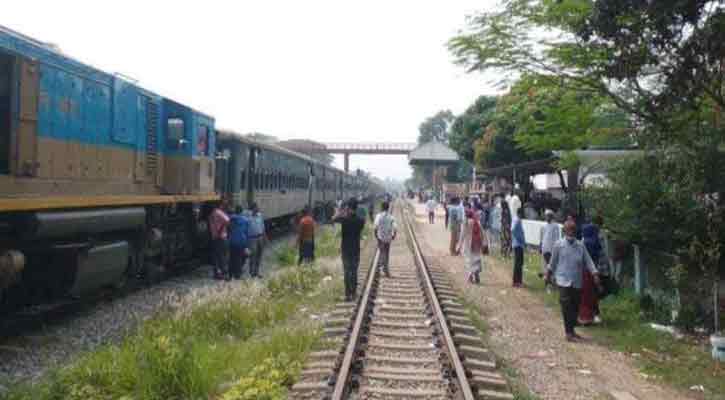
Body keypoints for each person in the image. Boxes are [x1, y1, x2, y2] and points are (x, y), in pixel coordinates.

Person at [546, 220, 600, 342]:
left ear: (576, 232)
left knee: (575, 307)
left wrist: (595, 273)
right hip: (562, 280)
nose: (570, 232)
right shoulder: (558, 245)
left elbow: (588, 261)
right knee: (566, 306)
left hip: (576, 281)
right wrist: (548, 274)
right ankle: (568, 333)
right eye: (568, 230)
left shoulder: (580, 245)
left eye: (573, 230)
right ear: (564, 231)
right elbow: (552, 262)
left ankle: (572, 331)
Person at [333, 198, 366, 301]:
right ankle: (354, 293)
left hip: (345, 249)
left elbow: (333, 219)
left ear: (348, 207)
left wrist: (341, 211)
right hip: (355, 249)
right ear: (356, 207)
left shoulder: (344, 219)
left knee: (347, 272)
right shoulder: (361, 221)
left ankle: (347, 294)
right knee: (354, 271)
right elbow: (360, 226)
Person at [580, 217, 603, 325]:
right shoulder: (594, 242)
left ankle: (584, 316)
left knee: (584, 295)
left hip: (583, 271)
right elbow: (598, 256)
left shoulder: (582, 242)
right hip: (593, 271)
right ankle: (593, 315)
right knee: (592, 294)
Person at [458, 209, 487, 284]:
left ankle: (470, 276)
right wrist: (484, 244)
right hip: (477, 244)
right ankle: (477, 275)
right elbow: (482, 233)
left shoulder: (466, 223)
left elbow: (462, 235)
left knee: (469, 261)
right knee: (476, 259)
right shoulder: (477, 222)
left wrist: (459, 246)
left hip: (468, 245)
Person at [209, 200, 231, 280]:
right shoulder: (219, 212)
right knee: (224, 256)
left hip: (214, 237)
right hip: (222, 237)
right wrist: (224, 228)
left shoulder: (211, 214)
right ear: (221, 205)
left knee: (216, 257)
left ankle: (216, 274)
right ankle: (224, 274)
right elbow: (228, 220)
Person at [374, 201, 397, 277]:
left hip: (380, 237)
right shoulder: (391, 217)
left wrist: (376, 235)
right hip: (388, 238)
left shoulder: (378, 216)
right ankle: (385, 269)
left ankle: (380, 267)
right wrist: (394, 235)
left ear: (382, 208)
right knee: (386, 253)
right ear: (388, 208)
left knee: (381, 252)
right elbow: (395, 227)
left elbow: (376, 226)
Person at [539, 209, 559, 291]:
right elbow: (541, 237)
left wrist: (556, 249)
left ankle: (551, 283)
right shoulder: (543, 226)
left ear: (551, 217)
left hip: (552, 249)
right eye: (546, 216)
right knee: (545, 266)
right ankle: (547, 284)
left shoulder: (555, 226)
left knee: (551, 267)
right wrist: (540, 246)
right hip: (544, 248)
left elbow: (557, 238)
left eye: (548, 216)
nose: (547, 218)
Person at [228, 206, 251, 280]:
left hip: (232, 241)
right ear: (241, 211)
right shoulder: (245, 220)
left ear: (235, 211)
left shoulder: (230, 219)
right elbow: (247, 232)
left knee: (232, 258)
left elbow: (228, 229)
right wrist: (247, 245)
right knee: (240, 258)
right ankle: (238, 275)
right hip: (241, 242)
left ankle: (230, 274)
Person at [246, 202, 267, 278]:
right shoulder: (248, 218)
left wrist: (265, 238)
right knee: (253, 255)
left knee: (259, 255)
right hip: (252, 238)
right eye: (257, 207)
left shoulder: (260, 216)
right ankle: (251, 272)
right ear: (253, 209)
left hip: (260, 237)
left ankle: (257, 271)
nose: (258, 208)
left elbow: (263, 227)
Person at [511, 207, 526, 287]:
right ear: (521, 213)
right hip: (518, 244)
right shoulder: (518, 220)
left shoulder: (515, 219)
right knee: (518, 264)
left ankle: (517, 281)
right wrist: (520, 239)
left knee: (519, 263)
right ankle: (517, 282)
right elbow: (513, 230)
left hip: (516, 244)